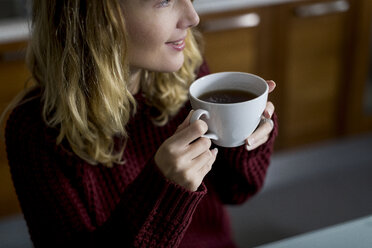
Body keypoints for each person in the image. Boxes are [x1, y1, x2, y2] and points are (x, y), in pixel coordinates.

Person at [3, 0, 278, 247]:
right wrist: (163, 193)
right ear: (97, 17)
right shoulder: (33, 130)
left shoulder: (188, 77)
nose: (192, 17)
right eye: (164, 1)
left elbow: (238, 190)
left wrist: (244, 131)